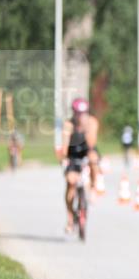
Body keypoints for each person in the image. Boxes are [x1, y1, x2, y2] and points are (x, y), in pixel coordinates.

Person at [57, 98, 100, 233]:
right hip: (73, 155)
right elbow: (64, 146)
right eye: (78, 113)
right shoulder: (68, 125)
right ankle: (70, 217)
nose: (80, 116)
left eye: (83, 113)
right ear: (74, 113)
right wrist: (64, 159)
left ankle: (93, 188)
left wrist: (85, 129)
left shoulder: (92, 123)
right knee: (70, 182)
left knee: (94, 160)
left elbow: (92, 144)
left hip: (87, 152)